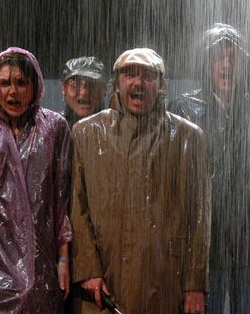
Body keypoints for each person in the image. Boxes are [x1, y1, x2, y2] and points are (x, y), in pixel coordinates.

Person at [169, 24, 250, 313]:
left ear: (244, 64)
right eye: (218, 57)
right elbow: (172, 184)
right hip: (204, 248)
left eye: (233, 57)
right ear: (207, 64)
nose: (226, 64)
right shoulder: (183, 109)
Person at [71, 48, 211, 314]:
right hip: (103, 283)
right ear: (117, 83)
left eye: (148, 75)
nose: (138, 82)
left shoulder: (188, 138)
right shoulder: (86, 133)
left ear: (161, 85)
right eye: (130, 74)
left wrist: (195, 284)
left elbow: (199, 217)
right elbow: (77, 208)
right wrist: (88, 268)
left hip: (165, 280)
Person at [0, 47, 72, 313]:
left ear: (35, 85)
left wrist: (63, 259)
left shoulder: (54, 128)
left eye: (21, 83)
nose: (12, 92)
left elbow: (61, 201)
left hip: (40, 261)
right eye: (5, 83)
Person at [61, 56, 106, 127]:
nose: (84, 92)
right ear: (64, 88)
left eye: (92, 85)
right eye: (75, 85)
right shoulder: (53, 128)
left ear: (104, 89)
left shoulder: (117, 127)